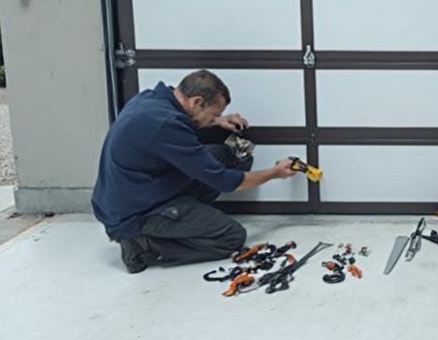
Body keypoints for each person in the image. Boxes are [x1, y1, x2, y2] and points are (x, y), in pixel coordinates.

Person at [91, 69, 297, 273]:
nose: (215, 118)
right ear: (196, 102)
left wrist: (216, 120)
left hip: (135, 193)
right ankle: (143, 245)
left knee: (224, 154)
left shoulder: (150, 99)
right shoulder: (166, 124)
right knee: (232, 237)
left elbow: (179, 130)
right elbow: (224, 181)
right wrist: (275, 172)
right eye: (214, 113)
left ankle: (186, 221)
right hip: (136, 213)